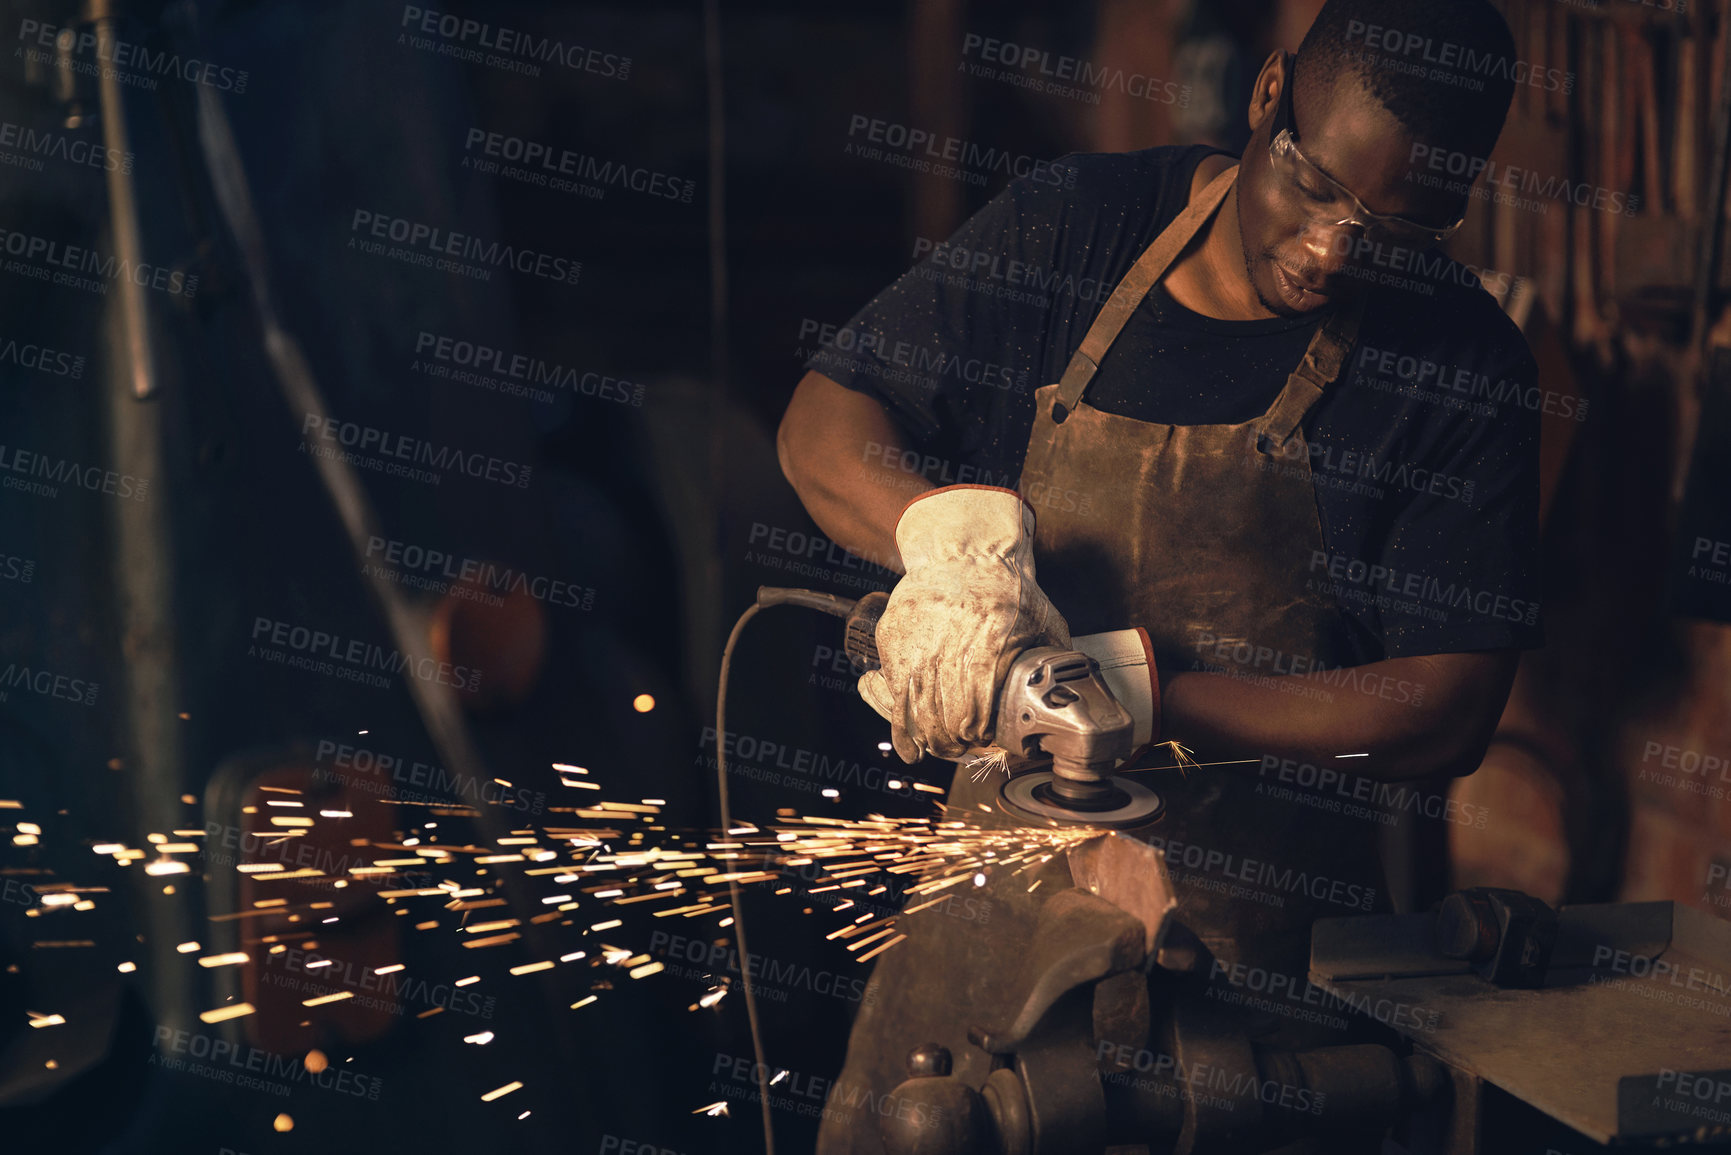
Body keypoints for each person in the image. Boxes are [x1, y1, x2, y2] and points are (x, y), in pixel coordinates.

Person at [777, 1, 1542, 1150]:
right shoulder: (1076, 230)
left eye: (1399, 228)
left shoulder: (1462, 368)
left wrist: (1143, 698)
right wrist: (949, 553)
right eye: (1318, 188)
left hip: (1261, 988)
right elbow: (822, 426)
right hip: (991, 920)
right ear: (1268, 94)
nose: (1335, 250)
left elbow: (1448, 707)